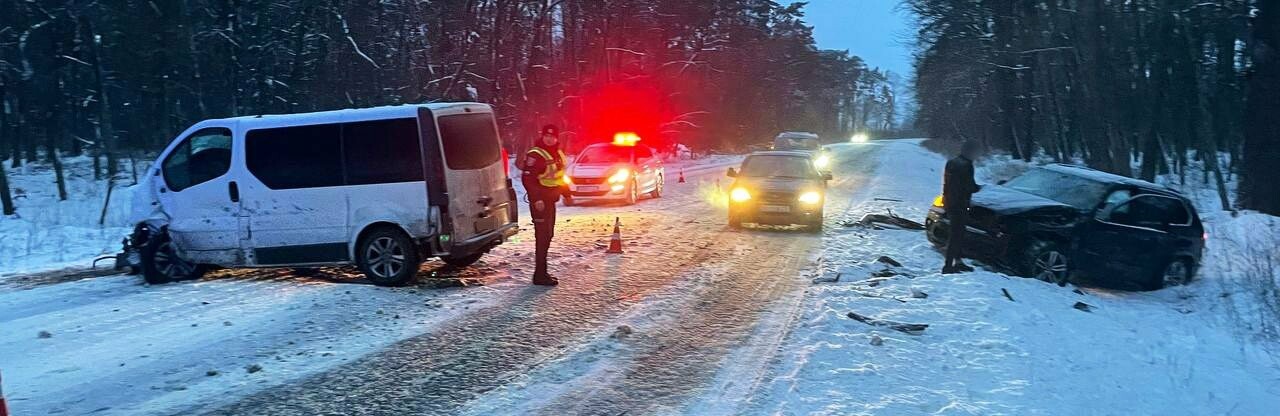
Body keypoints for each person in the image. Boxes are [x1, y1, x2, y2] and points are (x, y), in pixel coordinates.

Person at [522, 124, 568, 286]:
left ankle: (542, 272)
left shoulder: (556, 153)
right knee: (542, 237)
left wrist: (566, 191)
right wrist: (537, 199)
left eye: (552, 136)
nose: (549, 139)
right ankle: (540, 275)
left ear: (556, 137)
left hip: (551, 200)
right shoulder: (536, 154)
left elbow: (559, 176)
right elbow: (528, 179)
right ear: (542, 136)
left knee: (548, 235)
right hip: (540, 202)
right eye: (546, 136)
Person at [942, 140, 982, 274]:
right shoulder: (967, 165)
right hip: (960, 205)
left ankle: (957, 262)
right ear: (970, 152)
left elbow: (950, 184)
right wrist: (979, 189)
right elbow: (968, 186)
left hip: (949, 202)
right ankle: (948, 266)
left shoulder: (952, 162)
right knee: (956, 236)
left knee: (956, 234)